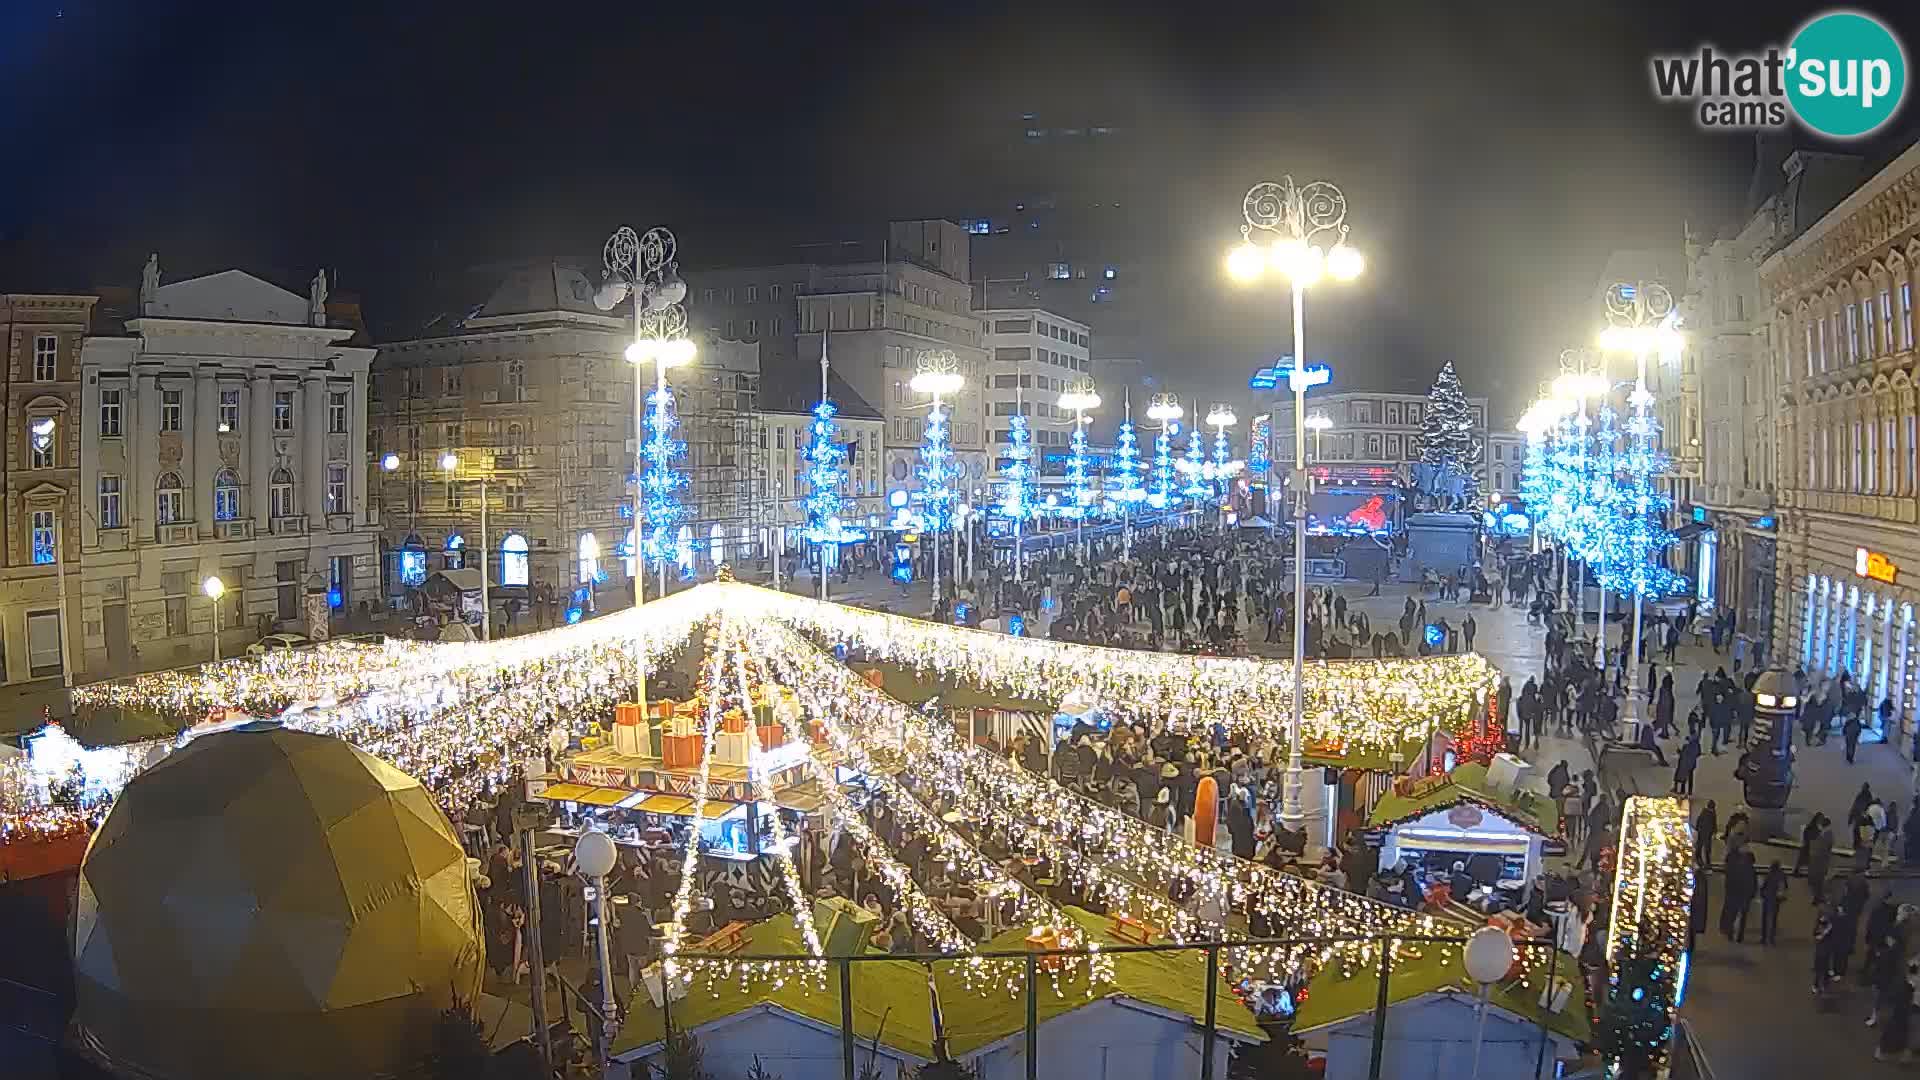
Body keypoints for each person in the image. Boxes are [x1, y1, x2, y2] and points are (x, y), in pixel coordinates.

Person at [1759, 860, 1788, 945]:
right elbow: (1784, 887)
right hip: (1775, 900)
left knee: (1765, 919)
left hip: (1768, 899)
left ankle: (1764, 938)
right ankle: (1771, 939)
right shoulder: (1781, 875)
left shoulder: (1769, 874)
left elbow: (1764, 885)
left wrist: (1762, 894)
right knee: (1773, 919)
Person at [1695, 800, 1718, 868]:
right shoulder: (1709, 812)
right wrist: (1714, 831)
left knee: (1703, 846)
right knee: (1705, 847)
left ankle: (1703, 861)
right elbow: (1714, 823)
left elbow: (1698, 821)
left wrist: (1697, 829)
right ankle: (1705, 861)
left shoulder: (1706, 812)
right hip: (1705, 832)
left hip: (1704, 832)